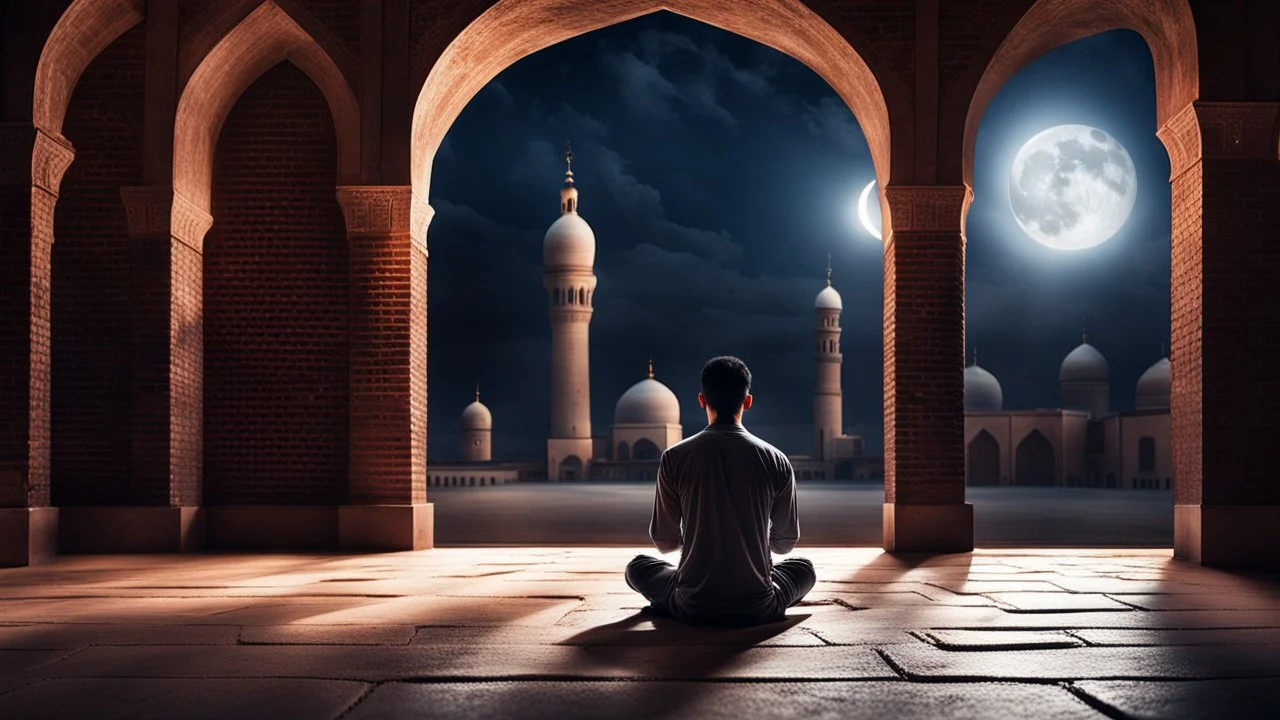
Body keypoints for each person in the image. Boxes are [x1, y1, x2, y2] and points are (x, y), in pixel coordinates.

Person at [625, 355, 816, 626]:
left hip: (692, 604)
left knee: (637, 567)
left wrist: (700, 548)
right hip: (758, 606)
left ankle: (677, 597)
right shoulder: (776, 460)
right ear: (748, 401)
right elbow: (784, 545)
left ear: (702, 400)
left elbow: (665, 543)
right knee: (804, 569)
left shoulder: (674, 457)